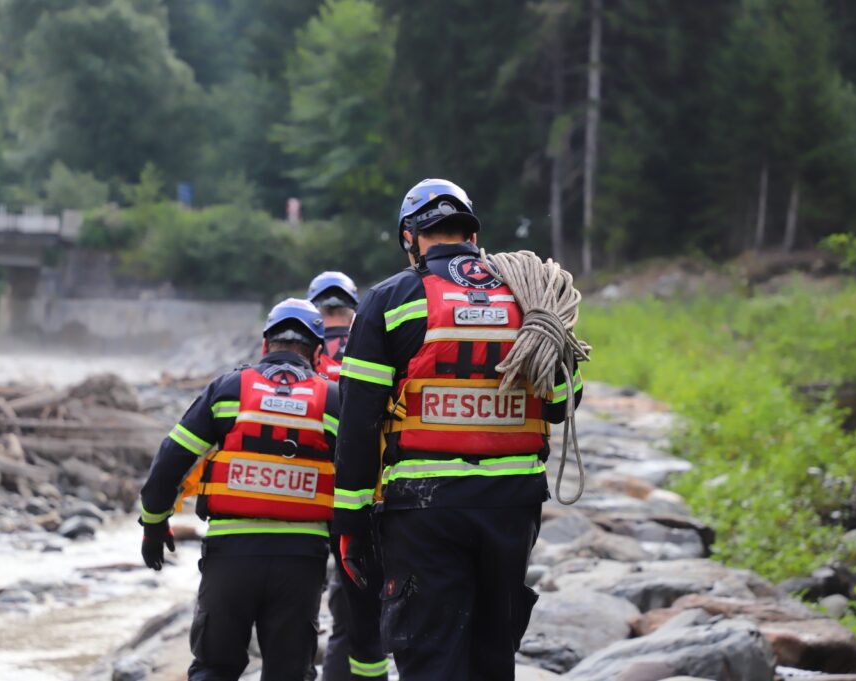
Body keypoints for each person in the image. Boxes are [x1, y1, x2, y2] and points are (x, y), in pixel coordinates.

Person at [332, 179, 583, 680]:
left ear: (410, 237)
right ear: (472, 231)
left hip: (424, 509)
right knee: (492, 655)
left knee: (430, 657)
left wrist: (351, 521)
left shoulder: (391, 299)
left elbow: (358, 421)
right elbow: (560, 405)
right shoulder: (531, 296)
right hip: (512, 507)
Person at [139, 298, 341, 681]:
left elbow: (169, 462)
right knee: (291, 673)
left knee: (215, 668)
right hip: (301, 561)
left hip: (231, 554)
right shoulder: (332, 399)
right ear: (317, 353)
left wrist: (153, 524)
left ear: (265, 345)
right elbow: (360, 476)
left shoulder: (229, 390)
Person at [307, 272, 389, 681]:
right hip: (361, 494)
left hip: (306, 497)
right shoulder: (371, 335)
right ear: (352, 306)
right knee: (355, 611)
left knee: (297, 609)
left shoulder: (304, 344)